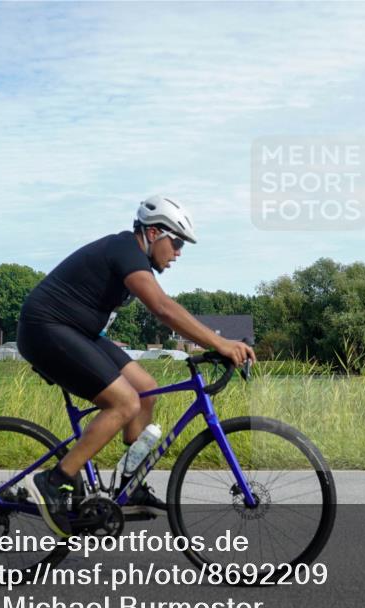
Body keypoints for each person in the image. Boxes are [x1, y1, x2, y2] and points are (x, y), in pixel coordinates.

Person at [16, 195, 256, 537]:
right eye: (176, 243)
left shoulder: (134, 256)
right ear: (154, 233)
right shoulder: (125, 250)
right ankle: (54, 481)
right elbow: (162, 308)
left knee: (146, 390)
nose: (178, 253)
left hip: (77, 331)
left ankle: (130, 483)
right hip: (44, 329)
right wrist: (220, 343)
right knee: (124, 402)